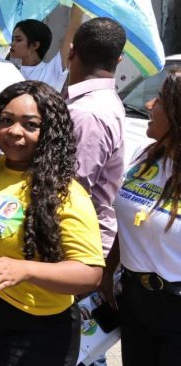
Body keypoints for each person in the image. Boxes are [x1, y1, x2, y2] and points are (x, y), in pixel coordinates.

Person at [0, 81, 105, 366]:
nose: (14, 132)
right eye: (6, 121)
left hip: (36, 323)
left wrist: (25, 269)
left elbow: (90, 273)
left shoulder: (66, 194)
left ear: (49, 133)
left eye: (30, 125)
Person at [101, 68, 181, 366]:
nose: (149, 105)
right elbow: (126, 224)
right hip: (135, 301)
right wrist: (108, 272)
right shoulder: (144, 155)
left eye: (159, 99)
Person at [66, 17, 126, 256]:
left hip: (74, 245)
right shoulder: (95, 102)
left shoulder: (87, 113)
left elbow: (70, 189)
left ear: (72, 52)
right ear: (119, 59)